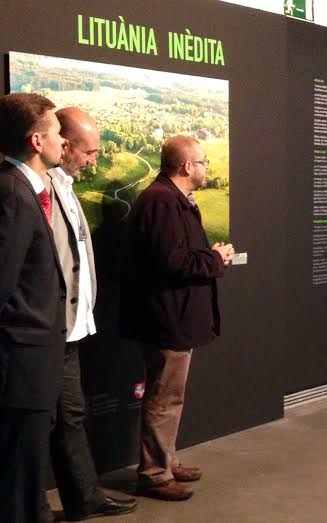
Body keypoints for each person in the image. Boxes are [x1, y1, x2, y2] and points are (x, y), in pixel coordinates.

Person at [119, 135, 234, 501]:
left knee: (169, 395)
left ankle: (165, 461)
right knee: (164, 397)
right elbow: (174, 262)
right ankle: (154, 474)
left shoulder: (169, 200)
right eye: (202, 162)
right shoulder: (162, 203)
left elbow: (175, 256)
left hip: (171, 316)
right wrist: (217, 260)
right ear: (186, 166)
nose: (205, 168)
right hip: (165, 319)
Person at [44, 107, 138, 519]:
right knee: (42, 423)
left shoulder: (62, 186)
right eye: (88, 151)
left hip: (69, 330)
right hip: (46, 333)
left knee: (71, 417)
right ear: (63, 144)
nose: (93, 160)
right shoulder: (35, 190)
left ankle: (83, 498)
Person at [0, 93, 66, 523]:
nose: (65, 140)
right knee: (18, 473)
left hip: (31, 357)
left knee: (25, 466)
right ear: (37, 140)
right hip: (21, 359)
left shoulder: (23, 188)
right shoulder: (13, 194)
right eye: (58, 132)